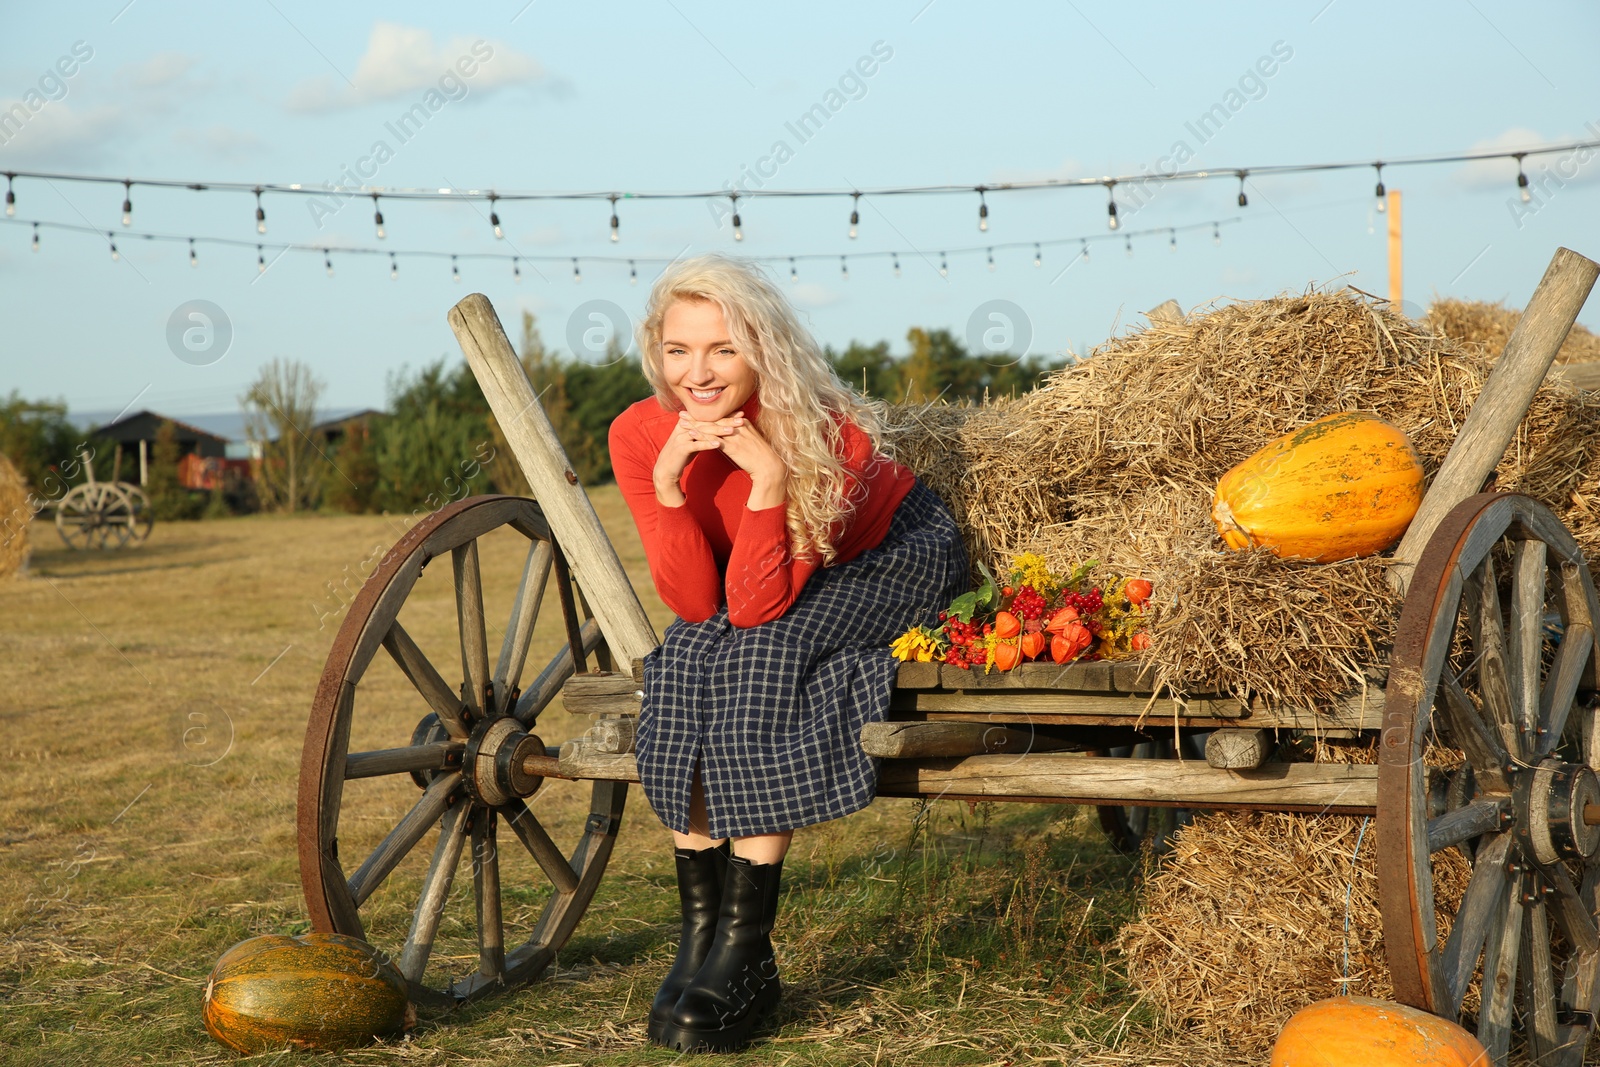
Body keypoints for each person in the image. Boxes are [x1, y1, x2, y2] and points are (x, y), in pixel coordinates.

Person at [608, 253, 969, 1054]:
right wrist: (670, 484)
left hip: (892, 556)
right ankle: (699, 936)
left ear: (762, 349)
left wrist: (768, 477)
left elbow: (765, 607)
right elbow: (698, 603)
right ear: (656, 351)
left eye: (722, 350)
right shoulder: (638, 433)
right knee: (687, 652)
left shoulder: (823, 434)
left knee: (769, 647)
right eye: (678, 350)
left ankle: (745, 948)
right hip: (753, 580)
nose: (696, 373)